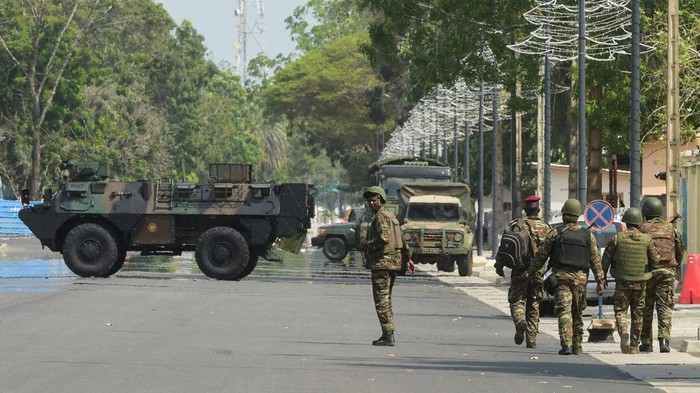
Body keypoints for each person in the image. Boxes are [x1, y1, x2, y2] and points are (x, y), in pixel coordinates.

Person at [528, 198, 606, 355]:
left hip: (561, 278)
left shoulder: (556, 233)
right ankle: (577, 345)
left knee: (564, 310)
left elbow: (541, 256)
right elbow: (595, 260)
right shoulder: (588, 235)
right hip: (581, 280)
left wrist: (531, 272)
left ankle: (566, 344)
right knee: (577, 312)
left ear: (564, 214)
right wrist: (600, 281)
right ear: (577, 215)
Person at [495, 195, 553, 349]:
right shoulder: (547, 228)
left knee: (516, 301)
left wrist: (499, 265)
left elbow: (504, 246)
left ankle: (520, 321)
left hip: (519, 271)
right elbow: (555, 250)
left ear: (525, 210)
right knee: (534, 305)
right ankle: (532, 339)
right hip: (538, 273)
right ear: (538, 209)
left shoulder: (516, 225)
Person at [601, 208, 660, 354]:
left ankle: (623, 329)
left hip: (622, 281)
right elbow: (656, 260)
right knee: (638, 313)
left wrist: (601, 278)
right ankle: (634, 346)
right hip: (641, 282)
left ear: (626, 222)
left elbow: (605, 260)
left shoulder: (617, 238)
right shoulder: (647, 239)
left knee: (620, 311)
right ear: (639, 222)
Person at [361, 186, 414, 346]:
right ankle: (387, 332)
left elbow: (384, 238)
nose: (371, 203)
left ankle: (388, 334)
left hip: (382, 264)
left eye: (374, 200)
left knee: (381, 300)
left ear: (381, 200)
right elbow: (402, 239)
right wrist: (408, 257)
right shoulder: (391, 216)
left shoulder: (381, 217)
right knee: (386, 299)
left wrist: (366, 244)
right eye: (369, 200)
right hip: (394, 263)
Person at [639, 197, 686, 353]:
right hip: (667, 272)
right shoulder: (670, 228)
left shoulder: (642, 229)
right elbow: (680, 249)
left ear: (645, 212)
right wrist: (675, 266)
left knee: (646, 307)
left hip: (647, 272)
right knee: (665, 307)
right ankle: (664, 341)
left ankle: (646, 343)